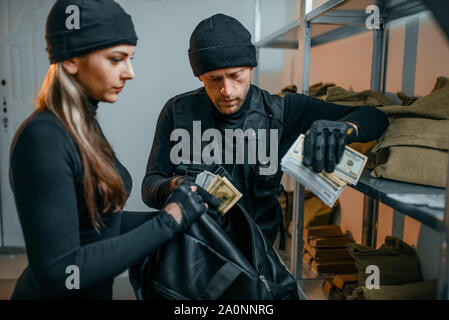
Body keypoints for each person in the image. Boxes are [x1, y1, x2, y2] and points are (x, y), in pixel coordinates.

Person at [9, 0, 210, 300]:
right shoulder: (43, 139)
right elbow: (61, 273)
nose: (129, 72)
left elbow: (102, 227)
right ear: (72, 60)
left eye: (130, 58)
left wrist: (189, 212)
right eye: (116, 59)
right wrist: (169, 221)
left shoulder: (84, 126)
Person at [141, 13, 390, 244]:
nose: (226, 90)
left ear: (250, 67)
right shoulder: (177, 112)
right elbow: (149, 187)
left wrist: (345, 128)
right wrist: (174, 185)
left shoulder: (283, 111)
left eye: (235, 75)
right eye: (214, 79)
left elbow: (376, 117)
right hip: (191, 249)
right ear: (200, 77)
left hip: (256, 252)